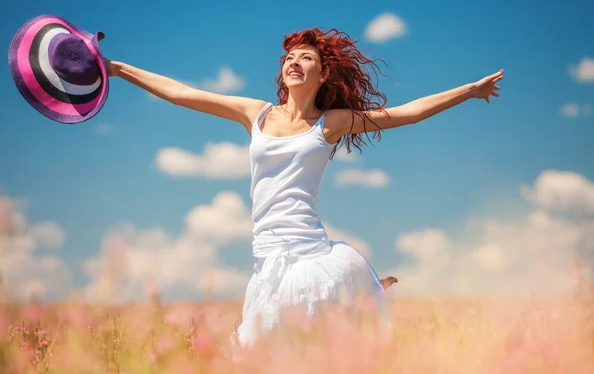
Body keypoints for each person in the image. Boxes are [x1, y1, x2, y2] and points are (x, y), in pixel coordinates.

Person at [103, 28, 502, 347]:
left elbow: (405, 114)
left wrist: (469, 91)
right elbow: (183, 93)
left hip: (313, 259)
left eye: (306, 57)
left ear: (323, 73)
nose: (294, 62)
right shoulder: (255, 113)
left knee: (303, 353)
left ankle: (364, 298)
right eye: (289, 58)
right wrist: (119, 69)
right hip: (267, 262)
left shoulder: (331, 123)